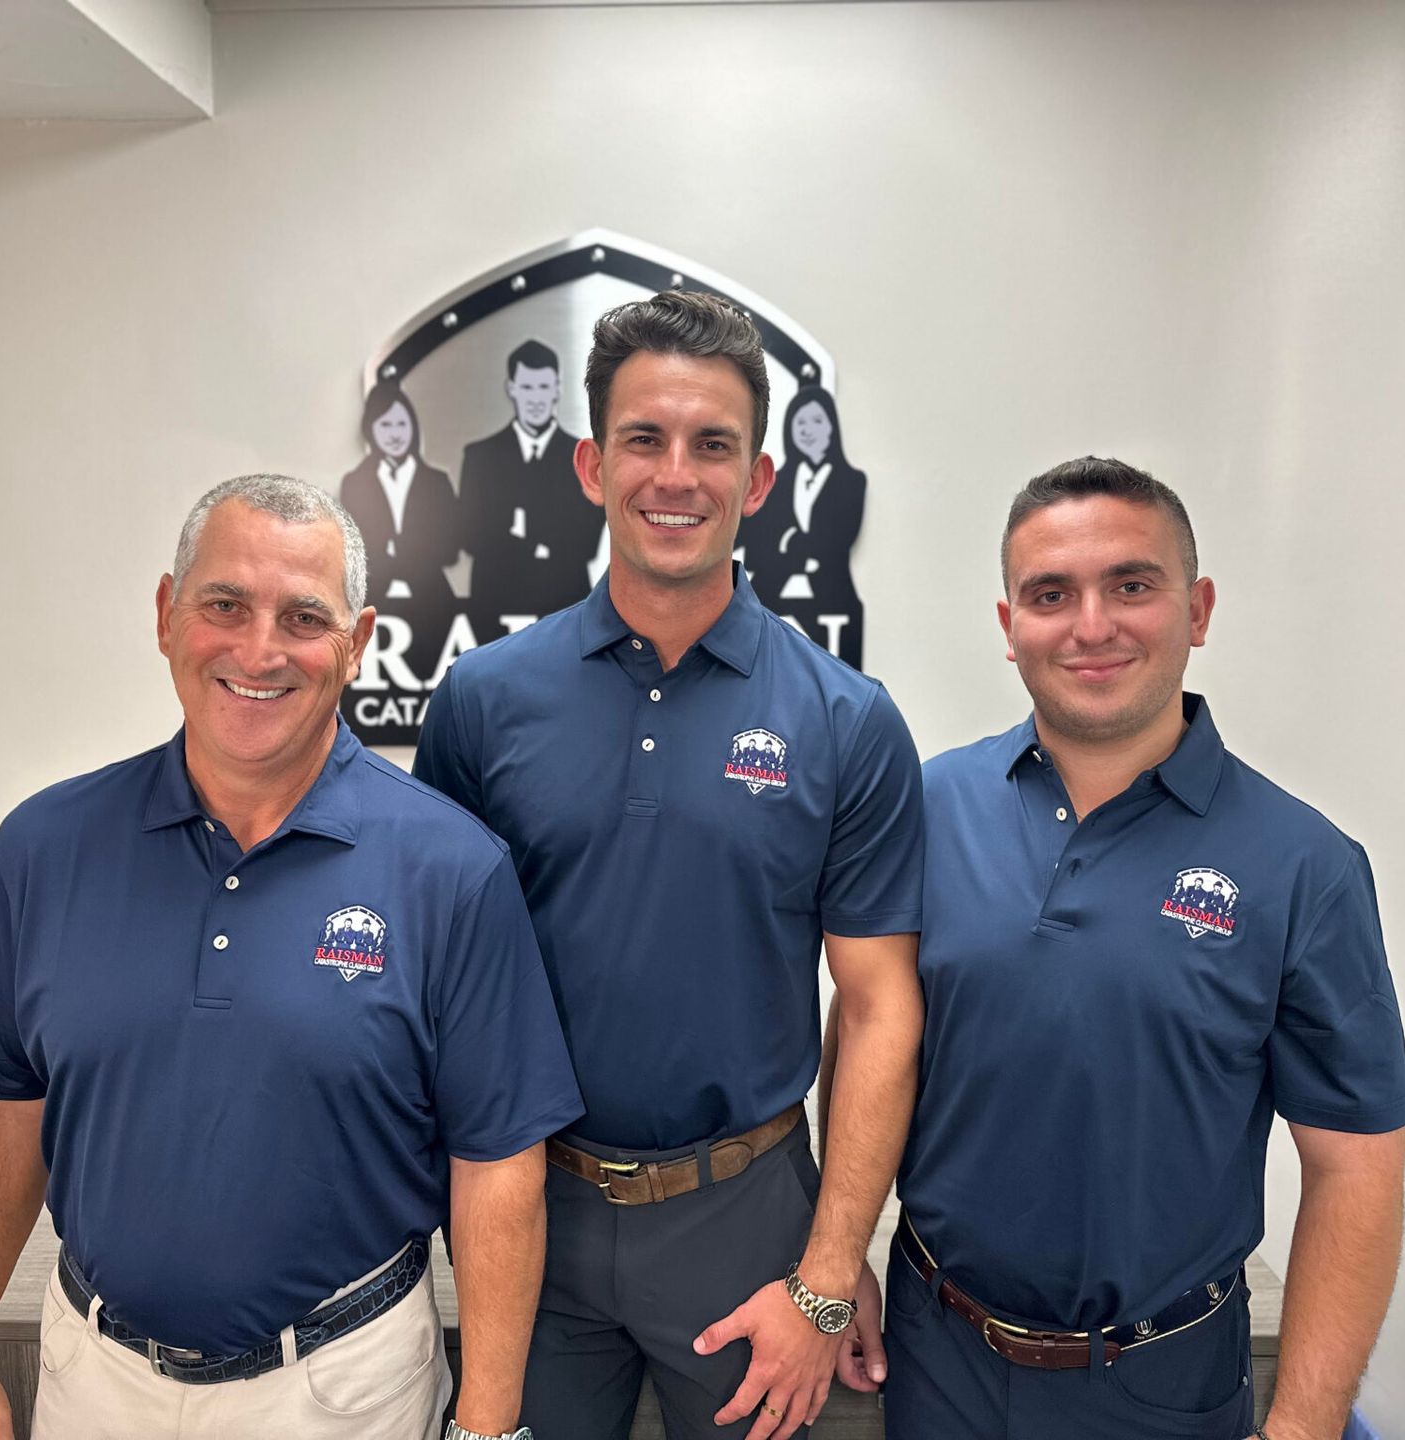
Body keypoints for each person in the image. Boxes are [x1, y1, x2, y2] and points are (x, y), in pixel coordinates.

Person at [0, 474, 581, 1440]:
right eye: (224, 604)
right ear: (166, 614)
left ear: (355, 646)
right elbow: (0, 1105)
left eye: (303, 617)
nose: (259, 649)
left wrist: (486, 1430)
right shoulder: (43, 847)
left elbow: (497, 1171)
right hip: (92, 1380)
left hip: (343, 1392)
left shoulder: (453, 871)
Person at [415, 291, 926, 1440]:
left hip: (745, 1214)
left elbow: (882, 1006)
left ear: (756, 482)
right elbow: (433, 988)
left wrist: (830, 1270)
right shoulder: (485, 703)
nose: (675, 476)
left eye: (713, 447)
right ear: (592, 465)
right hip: (525, 1208)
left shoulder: (846, 720)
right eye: (645, 439)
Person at [829, 457, 1405, 1440]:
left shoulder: (1304, 864)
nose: (1091, 626)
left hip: (1160, 1383)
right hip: (937, 1360)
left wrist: (1305, 1424)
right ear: (1010, 628)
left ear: (1198, 609)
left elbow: (1356, 1167)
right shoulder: (925, 809)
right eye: (1051, 594)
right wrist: (837, 1256)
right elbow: (862, 1023)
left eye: (1131, 586)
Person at [458, 338, 603, 640]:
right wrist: (546, 539)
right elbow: (472, 540)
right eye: (526, 388)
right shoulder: (481, 456)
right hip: (492, 607)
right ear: (511, 388)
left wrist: (515, 529)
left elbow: (584, 544)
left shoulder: (585, 457)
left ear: (558, 389)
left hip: (566, 608)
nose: (535, 398)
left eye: (543, 387)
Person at [739, 386, 866, 668]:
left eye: (817, 421)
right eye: (801, 422)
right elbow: (746, 535)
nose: (808, 430)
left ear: (832, 428)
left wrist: (796, 546)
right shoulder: (773, 482)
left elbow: (842, 536)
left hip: (830, 594)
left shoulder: (853, 481)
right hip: (772, 592)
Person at [340, 380, 460, 677]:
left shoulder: (437, 481)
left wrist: (403, 552)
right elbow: (353, 553)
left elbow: (451, 549)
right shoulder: (355, 482)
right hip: (374, 595)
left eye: (401, 424)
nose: (395, 434)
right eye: (386, 425)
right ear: (372, 430)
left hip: (432, 598)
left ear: (413, 428)